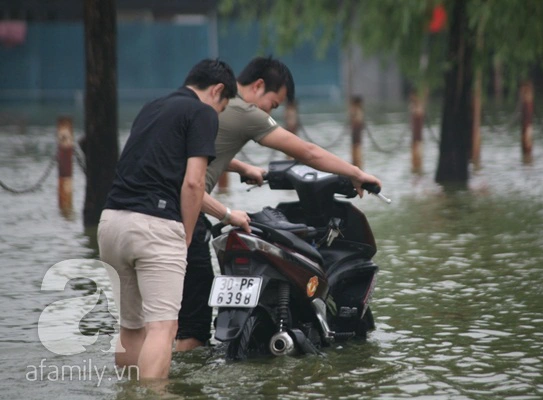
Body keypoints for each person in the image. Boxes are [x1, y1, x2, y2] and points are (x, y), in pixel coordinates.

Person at [175, 56, 383, 351]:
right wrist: (356, 173)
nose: (271, 111)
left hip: (154, 210)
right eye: (273, 104)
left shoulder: (209, 107)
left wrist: (242, 168)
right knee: (193, 326)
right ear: (258, 86)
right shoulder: (244, 111)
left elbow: (205, 152)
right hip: (187, 212)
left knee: (170, 316)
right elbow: (308, 151)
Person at [97, 59, 237, 379]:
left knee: (132, 328)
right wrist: (185, 238)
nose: (218, 114)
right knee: (163, 327)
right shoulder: (202, 113)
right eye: (223, 106)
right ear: (216, 90)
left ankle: (130, 393)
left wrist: (227, 214)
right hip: (155, 227)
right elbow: (193, 183)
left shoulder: (152, 107)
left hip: (111, 223)